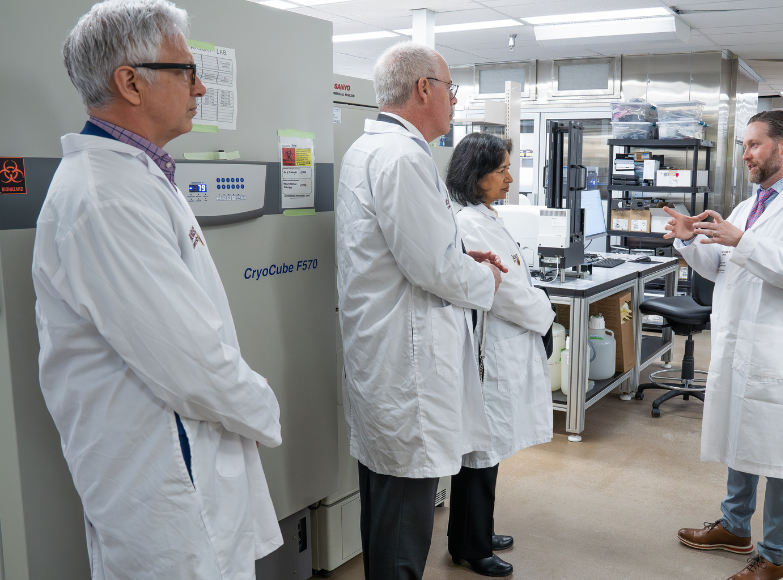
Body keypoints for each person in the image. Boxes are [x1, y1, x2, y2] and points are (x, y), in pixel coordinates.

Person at [32, 1, 284, 578]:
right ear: (130, 82)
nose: (200, 88)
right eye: (186, 71)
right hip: (161, 466)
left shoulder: (137, 178)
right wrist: (260, 400)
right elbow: (185, 358)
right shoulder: (106, 198)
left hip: (180, 452)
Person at [336, 43, 508, 580]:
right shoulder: (402, 156)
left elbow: (412, 247)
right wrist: (485, 275)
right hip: (404, 363)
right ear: (423, 89)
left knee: (388, 502)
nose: (454, 101)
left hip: (388, 352)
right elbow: (432, 269)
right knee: (403, 514)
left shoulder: (376, 150)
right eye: (451, 89)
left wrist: (457, 253)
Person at [664, 110, 783, 580]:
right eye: (744, 145)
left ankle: (775, 555)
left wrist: (741, 241)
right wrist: (688, 242)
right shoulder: (749, 206)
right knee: (740, 435)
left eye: (754, 145)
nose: (745, 154)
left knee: (779, 453)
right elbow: (722, 268)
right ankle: (736, 526)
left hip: (776, 350)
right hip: (738, 342)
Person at [446, 133, 556, 577]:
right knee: (480, 453)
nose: (509, 179)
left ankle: (476, 532)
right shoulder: (468, 222)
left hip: (506, 341)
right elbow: (505, 292)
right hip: (490, 350)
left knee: (488, 453)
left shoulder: (483, 216)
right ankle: (471, 548)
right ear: (477, 176)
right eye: (501, 170)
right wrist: (545, 313)